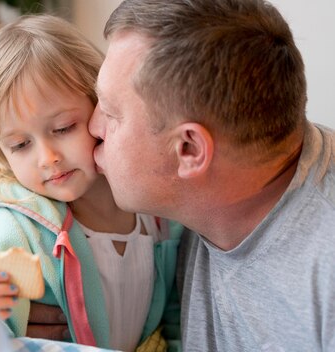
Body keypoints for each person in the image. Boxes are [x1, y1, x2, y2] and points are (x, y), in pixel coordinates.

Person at [24, 0, 334, 350]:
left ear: (189, 149)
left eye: (111, 114)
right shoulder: (188, 205)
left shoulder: (323, 276)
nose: (94, 128)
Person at [0, 14, 183, 352]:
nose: (47, 157)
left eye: (63, 128)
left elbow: (177, 319)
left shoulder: (157, 215)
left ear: (101, 105)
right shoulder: (6, 232)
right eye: (20, 145)